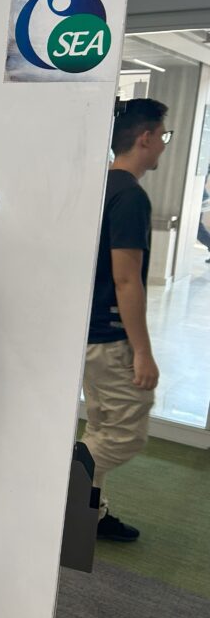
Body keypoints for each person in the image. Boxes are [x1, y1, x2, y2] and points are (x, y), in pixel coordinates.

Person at [81, 97, 170, 542]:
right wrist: (142, 353)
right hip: (110, 337)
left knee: (101, 426)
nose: (162, 146)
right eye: (162, 137)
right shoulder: (130, 196)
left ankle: (89, 518)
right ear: (145, 138)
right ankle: (63, 492)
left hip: (89, 333)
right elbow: (126, 279)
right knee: (122, 435)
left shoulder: (98, 187)